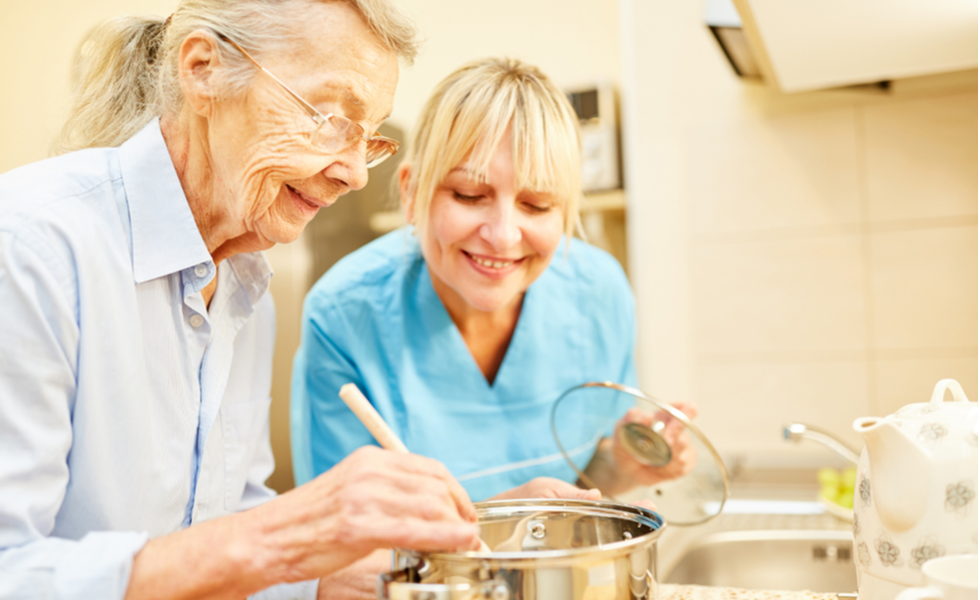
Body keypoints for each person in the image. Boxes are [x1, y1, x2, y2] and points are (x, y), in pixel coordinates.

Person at [0, 2, 486, 598]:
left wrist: (322, 584)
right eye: (331, 116)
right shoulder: (27, 247)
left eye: (369, 137)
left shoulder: (244, 282)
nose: (356, 175)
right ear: (203, 70)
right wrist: (287, 535)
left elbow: (216, 534)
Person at [291, 57, 698, 505]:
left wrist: (621, 466)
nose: (503, 235)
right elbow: (338, 537)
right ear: (411, 192)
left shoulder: (598, 293)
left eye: (538, 205)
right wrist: (505, 516)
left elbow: (578, 489)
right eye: (469, 195)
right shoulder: (344, 312)